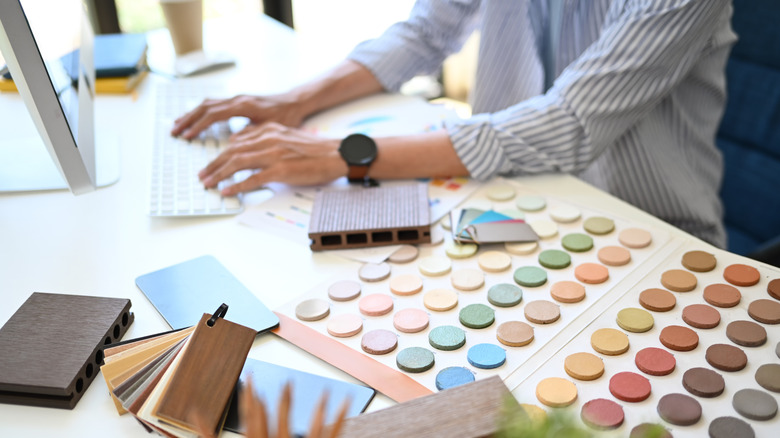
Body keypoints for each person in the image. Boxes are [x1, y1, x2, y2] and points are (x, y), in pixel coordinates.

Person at [172, 0, 735, 248]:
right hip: (510, 203)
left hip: (648, 228)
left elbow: (566, 124)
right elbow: (426, 31)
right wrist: (293, 101)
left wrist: (345, 153)